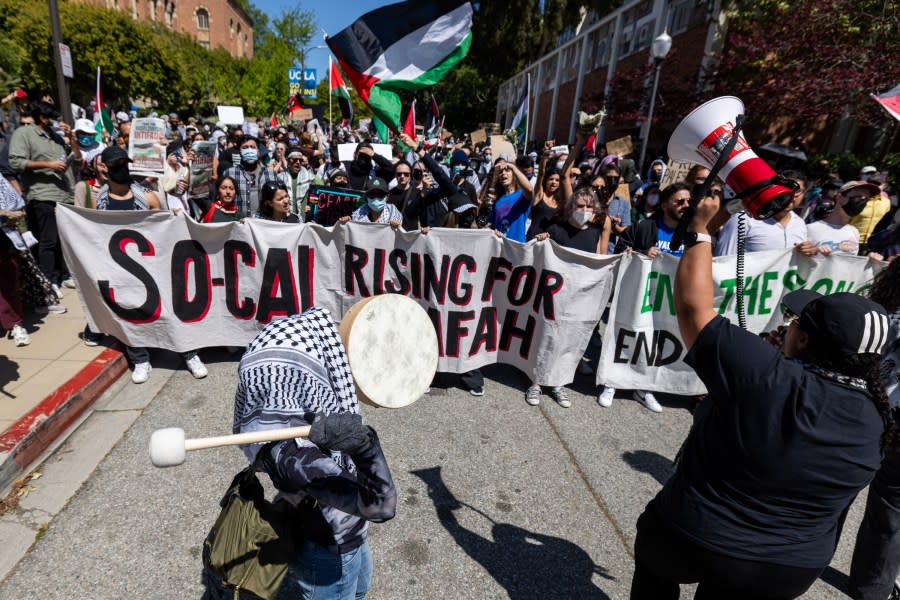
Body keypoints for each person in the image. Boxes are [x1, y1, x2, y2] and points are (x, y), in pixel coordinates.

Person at [630, 187, 895, 599]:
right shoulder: (879, 420)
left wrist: (700, 229)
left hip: (691, 536)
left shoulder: (764, 372)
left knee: (656, 566)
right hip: (786, 570)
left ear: (805, 341)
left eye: (794, 321)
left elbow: (693, 309)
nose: (786, 324)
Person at [228, 307, 396, 599]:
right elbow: (381, 507)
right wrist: (365, 447)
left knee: (361, 590)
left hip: (345, 533)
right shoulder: (292, 457)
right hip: (330, 549)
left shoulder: (283, 421)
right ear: (300, 379)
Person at [94, 146, 208, 384]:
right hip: (122, 271)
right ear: (105, 168)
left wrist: (174, 218)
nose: (121, 170)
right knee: (131, 316)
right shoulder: (101, 201)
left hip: (153, 266)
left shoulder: (148, 196)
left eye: (124, 164)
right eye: (116, 166)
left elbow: (163, 228)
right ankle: (140, 359)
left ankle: (189, 353)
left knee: (170, 310)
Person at [848, 258, 900, 600]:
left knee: (836, 487)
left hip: (867, 407)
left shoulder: (890, 296)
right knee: (890, 508)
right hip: (871, 406)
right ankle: (871, 589)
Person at [530, 187, 611, 408]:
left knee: (568, 339)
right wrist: (542, 239)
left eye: (588, 206)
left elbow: (600, 260)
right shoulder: (556, 230)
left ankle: (558, 383)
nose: (584, 210)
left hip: (580, 296)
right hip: (554, 295)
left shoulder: (594, 232)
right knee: (545, 335)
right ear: (571, 207)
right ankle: (536, 382)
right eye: (580, 206)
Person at [8, 100, 82, 294]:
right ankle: (49, 281)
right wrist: (48, 164)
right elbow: (15, 161)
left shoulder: (56, 137)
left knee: (63, 239)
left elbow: (78, 157)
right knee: (48, 240)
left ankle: (64, 275)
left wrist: (71, 137)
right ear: (42, 117)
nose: (57, 122)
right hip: (42, 194)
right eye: (53, 118)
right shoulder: (24, 134)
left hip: (64, 194)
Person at [806, 180, 873, 256]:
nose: (862, 201)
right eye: (858, 196)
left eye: (866, 199)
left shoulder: (854, 232)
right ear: (839, 197)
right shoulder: (811, 229)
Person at [223, 135, 279, 216]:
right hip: (239, 224)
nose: (249, 150)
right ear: (239, 151)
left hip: (263, 225)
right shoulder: (229, 174)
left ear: (258, 151)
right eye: (245, 147)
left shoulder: (271, 174)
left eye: (252, 147)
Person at [484, 157, 533, 243]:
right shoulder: (497, 201)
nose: (503, 174)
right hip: (500, 247)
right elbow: (491, 225)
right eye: (500, 172)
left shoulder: (521, 195)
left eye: (507, 170)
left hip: (517, 247)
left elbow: (529, 189)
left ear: (514, 174)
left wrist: (513, 167)